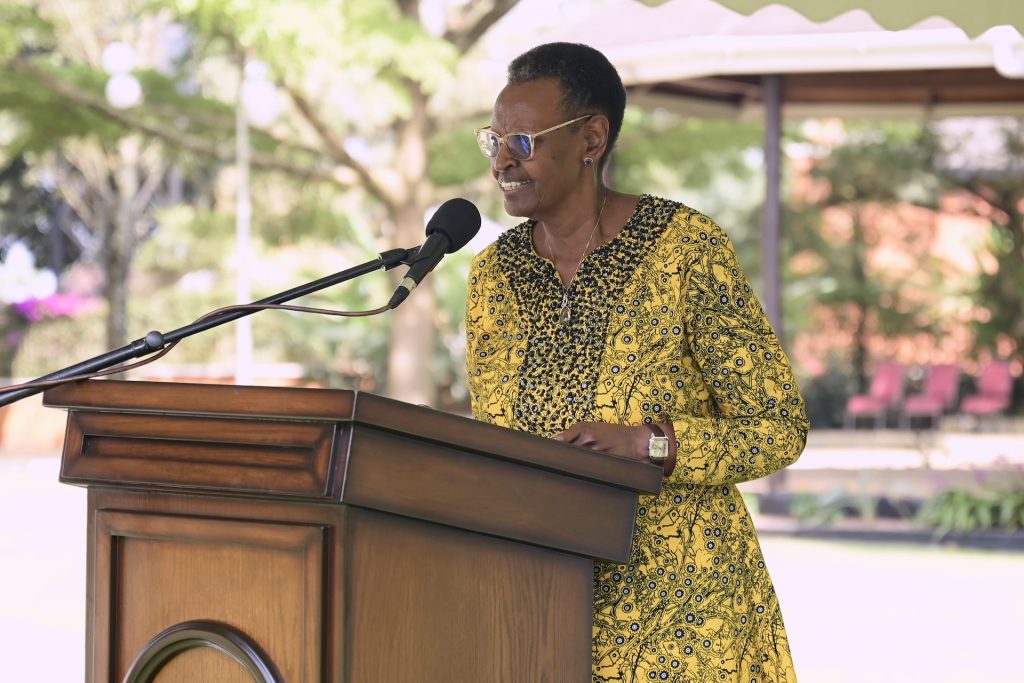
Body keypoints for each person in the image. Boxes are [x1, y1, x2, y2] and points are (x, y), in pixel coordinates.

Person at [464, 42, 809, 683]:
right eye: (496, 141)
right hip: (540, 607)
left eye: (525, 141)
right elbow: (496, 440)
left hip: (683, 614)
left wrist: (649, 445)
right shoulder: (494, 277)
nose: (503, 160)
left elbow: (777, 426)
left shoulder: (683, 249)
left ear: (591, 138)